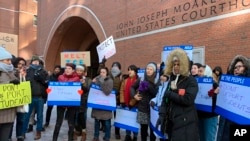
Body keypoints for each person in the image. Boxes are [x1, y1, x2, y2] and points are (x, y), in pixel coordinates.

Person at [156, 48, 199, 141]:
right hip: (171, 124)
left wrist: (171, 93)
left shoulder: (191, 81)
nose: (175, 66)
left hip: (185, 125)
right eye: (174, 64)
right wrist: (162, 115)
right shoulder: (172, 78)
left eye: (178, 64)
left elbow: (188, 99)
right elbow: (165, 99)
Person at [217, 55, 250, 141]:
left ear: (246, 67)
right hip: (226, 124)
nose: (236, 69)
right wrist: (217, 94)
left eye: (239, 66)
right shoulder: (227, 85)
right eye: (235, 67)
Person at [52, 63, 80, 141]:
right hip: (61, 103)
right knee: (58, 122)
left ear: (73, 70)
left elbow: (77, 91)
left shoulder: (76, 79)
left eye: (69, 68)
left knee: (71, 124)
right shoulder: (60, 77)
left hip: (72, 104)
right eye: (66, 68)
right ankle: (54, 139)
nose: (67, 70)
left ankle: (70, 138)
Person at [130, 62, 158, 141]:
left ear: (154, 71)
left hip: (152, 109)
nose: (148, 71)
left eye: (151, 69)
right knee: (143, 130)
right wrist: (134, 96)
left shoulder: (157, 81)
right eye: (147, 69)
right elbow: (132, 87)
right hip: (142, 108)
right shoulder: (141, 79)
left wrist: (148, 86)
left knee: (152, 130)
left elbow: (156, 93)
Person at [23, 55, 48, 140]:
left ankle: (38, 132)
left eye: (37, 61)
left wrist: (41, 78)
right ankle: (22, 132)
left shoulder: (43, 71)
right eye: (34, 61)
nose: (36, 62)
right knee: (27, 115)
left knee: (40, 116)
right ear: (31, 62)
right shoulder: (27, 71)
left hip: (40, 97)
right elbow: (23, 81)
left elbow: (47, 83)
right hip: (29, 97)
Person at [0, 47, 20, 141]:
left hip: (10, 110)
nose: (10, 62)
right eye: (7, 60)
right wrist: (9, 85)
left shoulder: (12, 71)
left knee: (5, 136)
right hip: (1, 110)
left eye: (10, 60)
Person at [197, 65, 219, 141]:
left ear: (207, 72)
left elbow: (219, 100)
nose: (199, 73)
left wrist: (214, 94)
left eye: (201, 71)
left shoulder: (213, 84)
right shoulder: (196, 83)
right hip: (200, 115)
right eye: (198, 71)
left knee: (209, 138)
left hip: (210, 117)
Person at [91, 66, 113, 141]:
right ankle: (96, 136)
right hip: (97, 103)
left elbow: (107, 92)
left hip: (106, 104)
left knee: (107, 123)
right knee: (96, 122)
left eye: (103, 72)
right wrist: (92, 82)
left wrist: (101, 81)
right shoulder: (97, 79)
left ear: (107, 73)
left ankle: (107, 137)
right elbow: (92, 90)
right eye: (101, 72)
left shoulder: (110, 81)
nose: (102, 74)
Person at [9, 57, 27, 141]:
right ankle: (8, 136)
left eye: (23, 64)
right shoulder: (11, 72)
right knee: (10, 120)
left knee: (21, 119)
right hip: (12, 99)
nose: (21, 66)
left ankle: (19, 136)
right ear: (16, 64)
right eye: (19, 64)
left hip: (22, 99)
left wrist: (25, 77)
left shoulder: (26, 73)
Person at [119, 64, 139, 141]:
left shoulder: (138, 80)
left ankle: (135, 136)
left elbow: (138, 93)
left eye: (131, 70)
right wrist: (122, 101)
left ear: (135, 71)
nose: (129, 71)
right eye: (129, 70)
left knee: (134, 120)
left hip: (135, 105)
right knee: (127, 120)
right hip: (126, 104)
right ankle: (128, 135)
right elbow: (122, 91)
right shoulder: (125, 80)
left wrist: (132, 103)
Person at [74, 64, 92, 141]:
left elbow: (87, 89)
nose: (79, 72)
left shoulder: (87, 80)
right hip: (74, 100)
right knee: (75, 116)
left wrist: (83, 83)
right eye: (77, 70)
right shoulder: (74, 78)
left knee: (82, 116)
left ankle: (83, 132)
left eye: (80, 70)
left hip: (84, 100)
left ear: (84, 72)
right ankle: (76, 130)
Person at [150, 73, 169, 141]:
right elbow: (158, 97)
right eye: (162, 75)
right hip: (157, 111)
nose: (162, 77)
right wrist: (153, 101)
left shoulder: (169, 88)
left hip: (164, 112)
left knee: (163, 131)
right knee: (156, 128)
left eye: (164, 76)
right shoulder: (160, 86)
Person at [110, 62, 122, 139]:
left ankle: (117, 132)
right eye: (113, 66)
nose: (115, 68)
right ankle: (105, 128)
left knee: (117, 116)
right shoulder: (108, 75)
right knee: (106, 115)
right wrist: (102, 64)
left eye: (116, 66)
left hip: (117, 99)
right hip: (108, 99)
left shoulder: (122, 77)